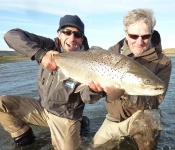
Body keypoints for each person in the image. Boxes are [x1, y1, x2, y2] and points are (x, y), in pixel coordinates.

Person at [1, 15, 105, 150]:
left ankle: (81, 126)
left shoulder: (88, 61)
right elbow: (11, 35)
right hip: (42, 109)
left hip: (66, 117)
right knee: (3, 104)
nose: (72, 38)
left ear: (82, 38)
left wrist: (94, 90)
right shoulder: (48, 46)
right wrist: (40, 54)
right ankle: (26, 140)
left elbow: (87, 99)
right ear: (59, 34)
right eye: (67, 32)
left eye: (77, 34)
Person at [92, 8, 172, 150]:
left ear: (151, 34)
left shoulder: (163, 62)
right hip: (115, 117)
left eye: (145, 36)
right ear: (126, 34)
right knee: (96, 145)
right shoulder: (111, 53)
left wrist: (126, 92)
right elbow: (93, 95)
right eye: (134, 36)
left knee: (146, 127)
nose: (140, 42)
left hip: (143, 117)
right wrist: (95, 90)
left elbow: (157, 98)